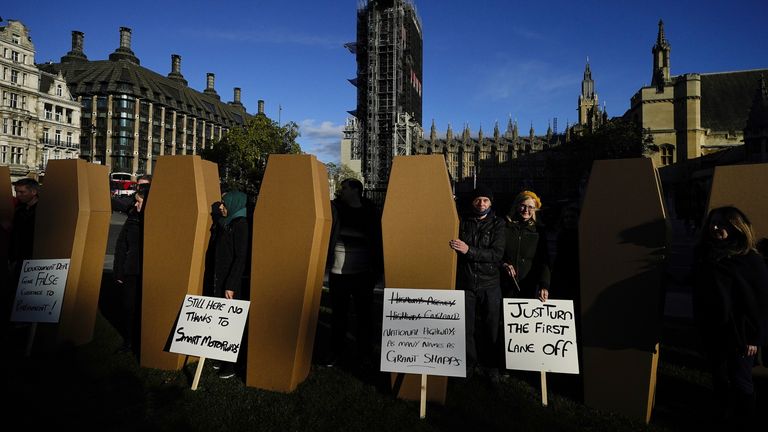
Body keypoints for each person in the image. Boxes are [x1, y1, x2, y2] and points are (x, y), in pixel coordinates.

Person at [693, 206, 768, 428]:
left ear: (736, 227)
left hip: (739, 333)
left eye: (723, 224)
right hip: (713, 329)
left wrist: (754, 337)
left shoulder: (750, 261)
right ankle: (722, 414)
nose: (715, 228)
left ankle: (745, 420)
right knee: (719, 377)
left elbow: (762, 302)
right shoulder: (707, 255)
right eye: (713, 223)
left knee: (740, 380)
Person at [449, 184, 505, 379]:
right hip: (466, 283)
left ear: (491, 203)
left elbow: (496, 254)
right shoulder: (462, 221)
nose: (482, 203)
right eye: (478, 200)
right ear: (472, 201)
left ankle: (491, 367)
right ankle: (469, 364)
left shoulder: (498, 224)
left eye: (486, 200)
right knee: (466, 328)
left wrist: (469, 250)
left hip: (489, 284)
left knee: (491, 329)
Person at [326, 178, 383, 368]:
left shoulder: (371, 211)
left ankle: (364, 353)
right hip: (338, 274)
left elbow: (378, 241)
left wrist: (377, 269)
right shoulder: (334, 208)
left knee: (364, 316)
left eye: (344, 188)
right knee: (338, 315)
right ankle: (335, 351)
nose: (341, 190)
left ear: (355, 190)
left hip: (362, 274)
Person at [212, 190, 249, 379]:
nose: (220, 207)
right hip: (222, 279)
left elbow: (241, 257)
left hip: (230, 284)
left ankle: (232, 364)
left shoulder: (241, 225)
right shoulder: (227, 223)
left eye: (224, 203)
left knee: (232, 324)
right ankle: (221, 356)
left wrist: (231, 285)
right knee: (221, 321)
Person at [113, 187, 149, 354]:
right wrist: (119, 270)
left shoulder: (154, 220)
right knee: (129, 308)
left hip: (147, 273)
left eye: (139, 201)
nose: (135, 204)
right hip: (131, 271)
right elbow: (121, 245)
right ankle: (129, 341)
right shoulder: (133, 218)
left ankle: (144, 341)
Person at [501, 190, 550, 302]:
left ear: (535, 210)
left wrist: (544, 285)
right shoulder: (503, 227)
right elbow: (496, 253)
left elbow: (544, 260)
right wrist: (503, 264)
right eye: (523, 206)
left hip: (528, 287)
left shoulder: (539, 232)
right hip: (504, 285)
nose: (526, 210)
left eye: (530, 207)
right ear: (516, 206)